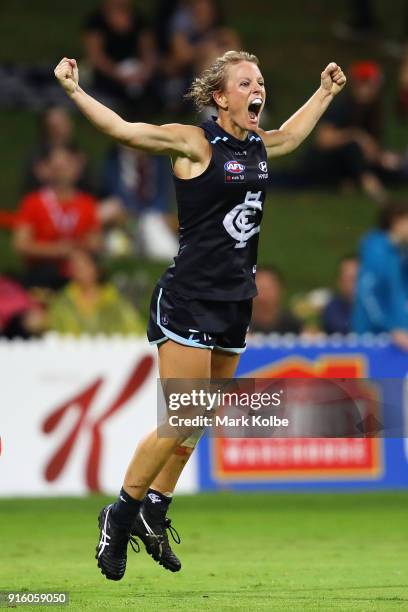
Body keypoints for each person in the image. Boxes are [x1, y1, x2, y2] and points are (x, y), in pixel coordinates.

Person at [54, 50, 346, 579]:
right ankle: (118, 518)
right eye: (245, 82)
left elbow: (292, 137)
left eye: (260, 80)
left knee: (200, 417)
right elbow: (124, 130)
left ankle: (156, 511)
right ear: (220, 96)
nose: (257, 89)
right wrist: (75, 92)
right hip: (190, 296)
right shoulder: (194, 142)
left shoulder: (258, 144)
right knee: (181, 417)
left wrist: (324, 92)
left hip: (235, 300)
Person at [302, 61, 403, 204]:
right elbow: (323, 140)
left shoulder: (375, 110)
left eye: (371, 84)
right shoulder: (342, 106)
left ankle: (352, 181)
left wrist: (381, 157)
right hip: (326, 163)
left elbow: (372, 147)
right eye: (363, 83)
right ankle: (368, 184)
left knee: (397, 170)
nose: (367, 88)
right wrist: (356, 136)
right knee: (352, 148)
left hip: (356, 164)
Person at [14, 146, 101, 290]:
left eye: (66, 165)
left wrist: (76, 249)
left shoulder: (87, 203)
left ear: (76, 169)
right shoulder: (33, 202)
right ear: (47, 170)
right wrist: (57, 251)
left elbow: (96, 242)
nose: (62, 171)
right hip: (43, 272)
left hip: (77, 271)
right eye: (57, 166)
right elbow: (21, 244)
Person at [48, 248, 144, 336]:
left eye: (84, 266)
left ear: (96, 268)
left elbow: (135, 329)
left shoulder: (115, 300)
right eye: (75, 267)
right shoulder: (63, 302)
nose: (80, 271)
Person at [353, 201, 408, 350]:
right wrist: (390, 328)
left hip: (399, 338)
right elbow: (367, 293)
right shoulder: (376, 251)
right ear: (397, 221)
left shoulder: (400, 253)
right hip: (377, 340)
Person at [83, 0, 156, 111]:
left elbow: (148, 51)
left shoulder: (139, 18)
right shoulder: (96, 21)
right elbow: (96, 57)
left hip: (137, 72)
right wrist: (117, 74)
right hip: (109, 74)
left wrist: (144, 72)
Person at [249, 266, 302, 334]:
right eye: (258, 288)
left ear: (281, 290)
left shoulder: (295, 325)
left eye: (268, 289)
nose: (263, 296)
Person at [322, 255, 359, 334]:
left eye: (357, 277)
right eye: (349, 277)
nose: (354, 283)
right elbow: (341, 328)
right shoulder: (333, 307)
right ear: (339, 281)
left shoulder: (380, 304)